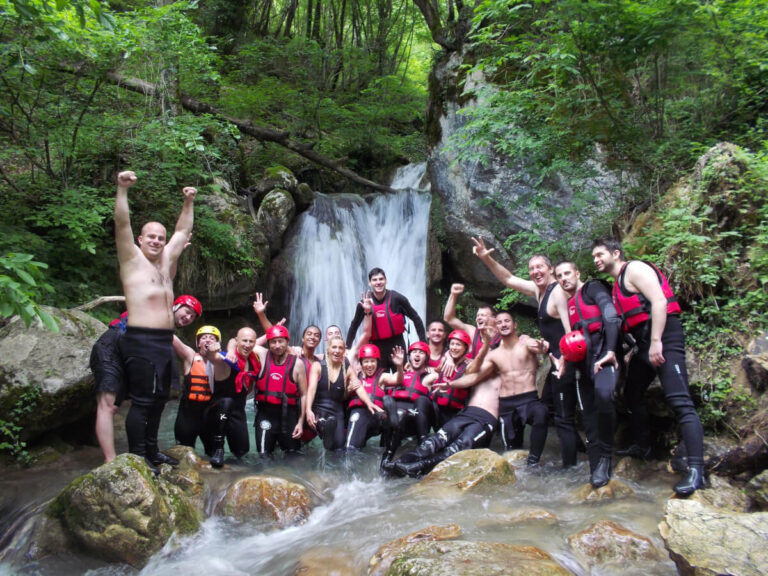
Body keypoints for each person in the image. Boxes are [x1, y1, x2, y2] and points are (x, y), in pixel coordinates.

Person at [592, 237, 706, 495]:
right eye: (594, 257)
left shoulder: (634, 270)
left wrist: (656, 342)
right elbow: (633, 318)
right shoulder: (616, 284)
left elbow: (659, 302)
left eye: (600, 254)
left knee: (681, 402)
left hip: (664, 337)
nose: (596, 260)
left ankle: (697, 470)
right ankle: (644, 446)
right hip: (645, 343)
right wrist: (637, 347)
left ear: (616, 253)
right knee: (632, 392)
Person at [472, 237, 582, 468]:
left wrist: (564, 359)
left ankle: (571, 468)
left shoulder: (558, 292)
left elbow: (569, 328)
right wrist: (486, 258)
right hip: (556, 361)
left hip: (566, 361)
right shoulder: (539, 291)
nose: (535, 272)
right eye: (532, 269)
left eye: (540, 267)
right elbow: (509, 279)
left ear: (551, 269)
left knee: (563, 417)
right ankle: (575, 452)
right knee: (549, 409)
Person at [113, 170, 195, 473]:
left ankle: (152, 450)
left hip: (163, 341)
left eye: (160, 238)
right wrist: (122, 190)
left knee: (160, 398)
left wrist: (188, 202)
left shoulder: (165, 262)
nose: (158, 242)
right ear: (140, 239)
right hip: (140, 338)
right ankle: (138, 455)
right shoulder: (131, 259)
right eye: (151, 237)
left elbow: (182, 232)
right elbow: (122, 223)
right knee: (144, 401)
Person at [381, 326, 511, 478]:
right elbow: (468, 371)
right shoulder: (462, 365)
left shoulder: (504, 372)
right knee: (434, 442)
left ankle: (416, 467)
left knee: (458, 447)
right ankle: (396, 464)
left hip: (483, 419)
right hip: (463, 414)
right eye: (453, 345)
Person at [555, 262, 621, 487]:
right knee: (588, 416)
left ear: (577, 273)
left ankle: (606, 456)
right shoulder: (570, 303)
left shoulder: (592, 289)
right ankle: (596, 469)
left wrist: (611, 351)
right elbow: (576, 338)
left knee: (604, 397)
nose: (564, 278)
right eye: (559, 276)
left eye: (567, 273)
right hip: (583, 365)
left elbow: (610, 314)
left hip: (603, 356)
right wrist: (564, 360)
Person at [346, 268, 426, 371]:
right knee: (379, 381)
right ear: (369, 283)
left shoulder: (397, 299)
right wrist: (347, 347)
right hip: (376, 346)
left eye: (381, 279)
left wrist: (423, 343)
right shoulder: (365, 303)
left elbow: (416, 318)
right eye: (374, 280)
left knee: (403, 377)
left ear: (386, 281)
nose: (378, 282)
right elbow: (354, 325)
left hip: (397, 344)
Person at [251, 325, 308, 456]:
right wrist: (268, 333)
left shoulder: (297, 364)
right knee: (263, 456)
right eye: (273, 342)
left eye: (280, 341)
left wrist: (300, 422)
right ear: (268, 343)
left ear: (287, 342)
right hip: (265, 414)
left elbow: (304, 395)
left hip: (289, 416)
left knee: (292, 455)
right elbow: (243, 342)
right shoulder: (263, 355)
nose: (277, 345)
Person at [381, 341, 439, 467]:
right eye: (414, 352)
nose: (417, 355)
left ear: (426, 358)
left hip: (414, 417)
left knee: (419, 402)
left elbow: (446, 374)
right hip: (394, 415)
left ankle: (423, 445)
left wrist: (445, 362)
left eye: (421, 353)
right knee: (387, 401)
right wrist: (400, 365)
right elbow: (383, 382)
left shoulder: (430, 376)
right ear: (409, 356)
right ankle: (387, 459)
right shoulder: (399, 374)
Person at [345, 344, 404, 450]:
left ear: (377, 362)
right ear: (361, 363)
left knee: (388, 405)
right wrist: (348, 389)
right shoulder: (354, 377)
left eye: (373, 361)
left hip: (377, 418)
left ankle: (389, 438)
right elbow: (342, 397)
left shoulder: (381, 377)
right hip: (360, 415)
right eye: (366, 361)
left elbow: (398, 380)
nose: (370, 365)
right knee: (351, 449)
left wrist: (399, 366)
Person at [305, 336, 359, 451]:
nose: (337, 350)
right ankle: (323, 427)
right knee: (324, 423)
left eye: (340, 348)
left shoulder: (347, 369)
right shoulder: (318, 365)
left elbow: (358, 386)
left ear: (344, 351)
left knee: (339, 447)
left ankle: (327, 431)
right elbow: (311, 390)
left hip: (337, 412)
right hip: (320, 408)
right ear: (328, 349)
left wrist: (370, 404)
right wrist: (308, 409)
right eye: (334, 347)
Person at [430, 329, 474, 430]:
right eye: (452, 344)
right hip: (436, 406)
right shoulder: (445, 359)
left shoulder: (469, 365)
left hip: (456, 410)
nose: (454, 347)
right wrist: (447, 356)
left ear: (465, 348)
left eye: (458, 344)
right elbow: (437, 370)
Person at [443, 283, 497, 359]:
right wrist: (453, 295)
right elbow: (449, 318)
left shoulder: (502, 337)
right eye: (478, 315)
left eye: (483, 315)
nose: (479, 318)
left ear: (494, 319)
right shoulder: (473, 333)